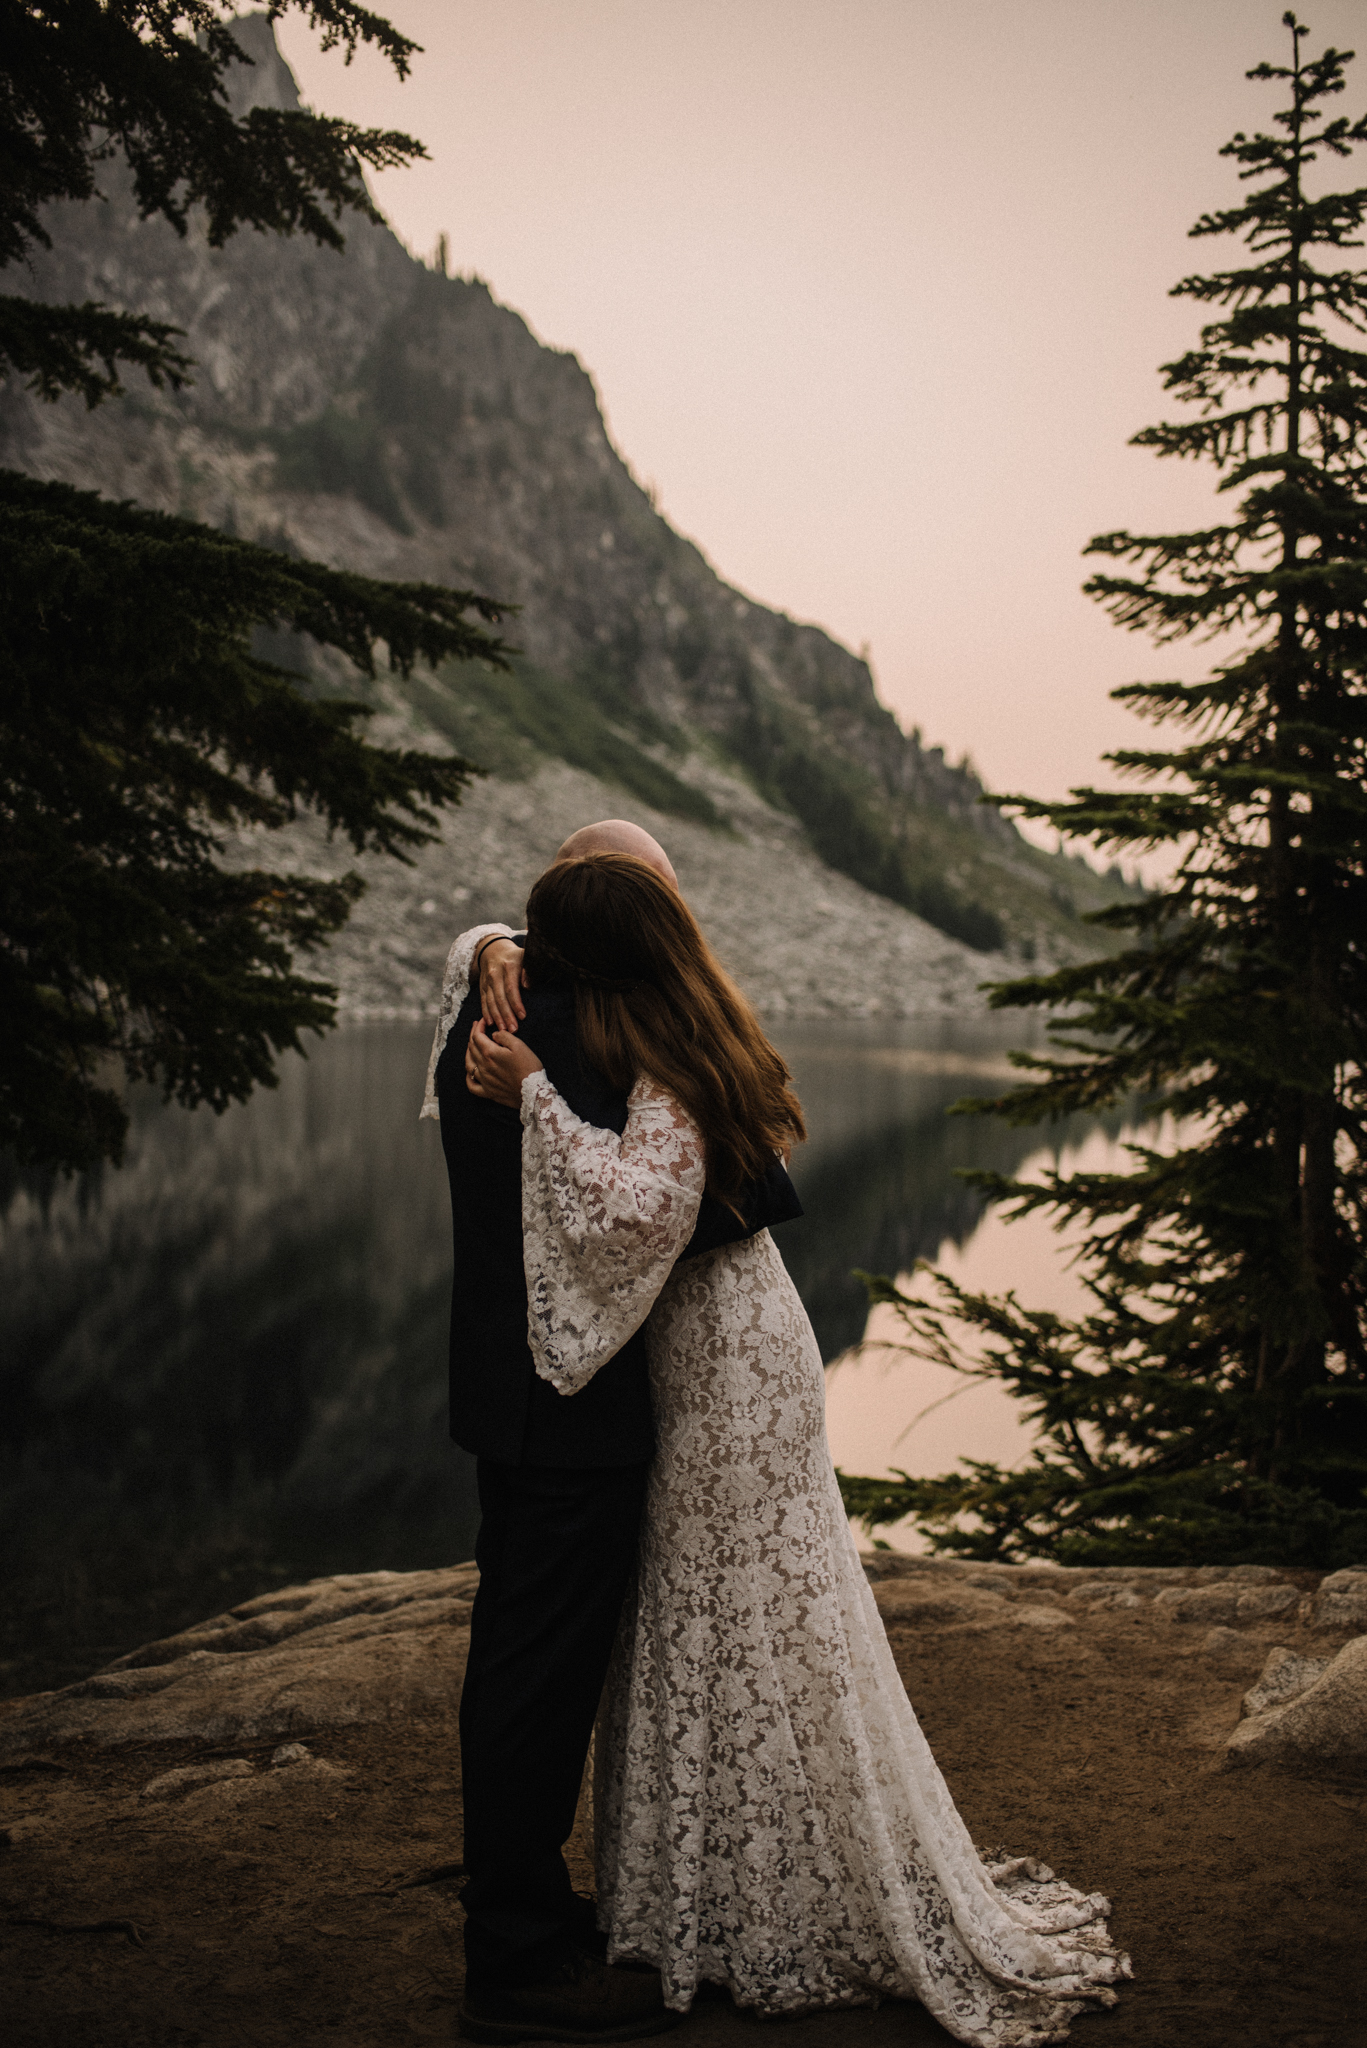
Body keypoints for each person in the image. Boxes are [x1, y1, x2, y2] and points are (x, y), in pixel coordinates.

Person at [462, 851, 1132, 2048]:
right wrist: (486, 950)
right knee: (708, 1608)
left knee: (746, 1605)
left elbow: (638, 1216)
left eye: (538, 935)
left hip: (723, 1362)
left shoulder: (642, 1050)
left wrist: (535, 1098)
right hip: (711, 1343)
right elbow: (486, 961)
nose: (527, 954)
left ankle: (755, 1889)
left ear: (588, 955)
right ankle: (707, 1883)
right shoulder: (660, 1006)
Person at [420, 820, 801, 2045]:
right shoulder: (590, 1042)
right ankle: (519, 1960)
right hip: (572, 1412)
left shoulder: (490, 1012)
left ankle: (529, 1912)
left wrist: (485, 939)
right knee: (537, 1680)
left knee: (518, 1666)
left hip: (503, 1395)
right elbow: (632, 1222)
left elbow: (477, 953)